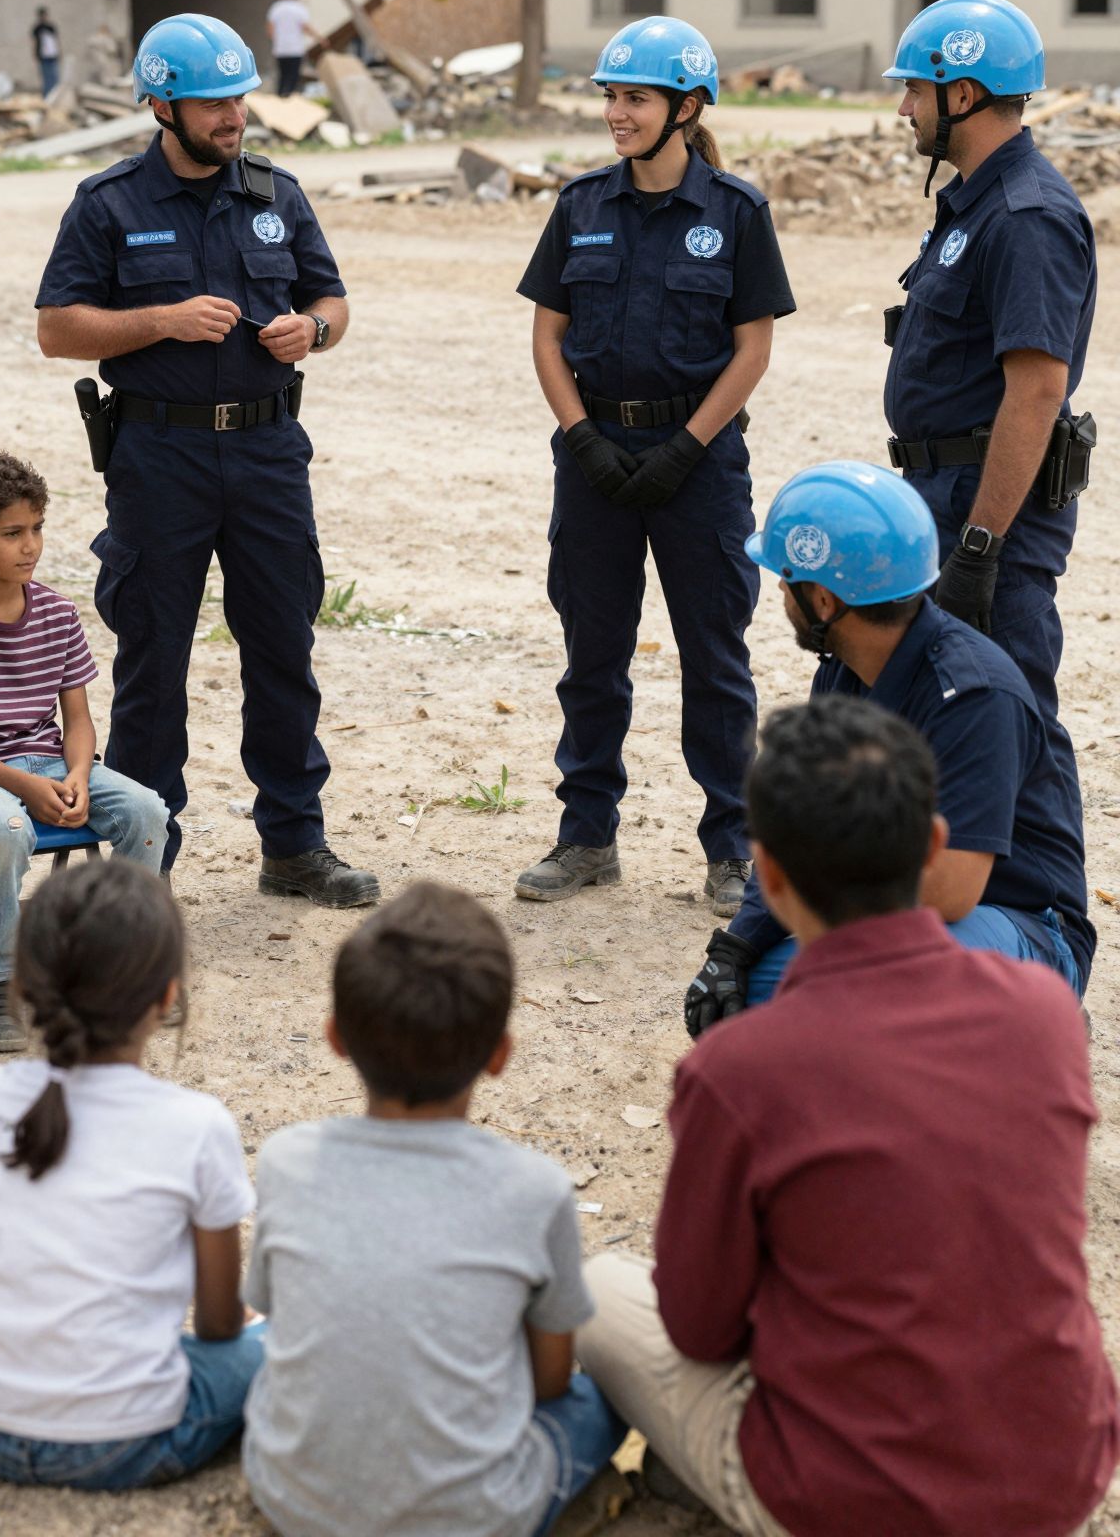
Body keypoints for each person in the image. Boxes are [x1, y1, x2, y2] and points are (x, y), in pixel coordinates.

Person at [583, 697, 1119, 1537]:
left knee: (596, 1291)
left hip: (845, 1499)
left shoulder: (739, 1069)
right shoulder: (1045, 1014)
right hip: (1058, 1476)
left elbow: (698, 1324)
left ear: (769, 876)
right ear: (933, 845)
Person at [35, 12, 378, 909]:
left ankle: (295, 847)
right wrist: (162, 320)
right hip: (160, 456)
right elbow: (57, 328)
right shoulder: (109, 204)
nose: (233, 117)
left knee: (283, 648)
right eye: (213, 103)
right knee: (154, 660)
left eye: (240, 99)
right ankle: (143, 862)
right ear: (162, 106)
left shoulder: (277, 194)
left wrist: (315, 331)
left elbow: (333, 300)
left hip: (268, 453)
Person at [514, 16, 795, 916]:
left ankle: (732, 848)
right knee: (591, 656)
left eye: (634, 98)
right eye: (610, 96)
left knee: (715, 658)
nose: (617, 114)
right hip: (593, 458)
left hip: (699, 465)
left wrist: (686, 448)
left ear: (687, 107)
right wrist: (580, 438)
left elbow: (752, 349)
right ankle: (587, 837)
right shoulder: (580, 206)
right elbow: (547, 337)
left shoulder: (736, 213)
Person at [243, 881, 624, 1537]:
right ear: (500, 1056)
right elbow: (550, 1383)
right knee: (603, 1396)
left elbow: (273, 1313)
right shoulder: (534, 1189)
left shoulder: (286, 1160)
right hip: (476, 1519)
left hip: (291, 1500)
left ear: (336, 1039)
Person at [684, 463, 1092, 1037]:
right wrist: (739, 945)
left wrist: (819, 903)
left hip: (1022, 922)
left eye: (786, 578)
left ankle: (1034, 1011)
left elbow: (951, 890)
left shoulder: (974, 695)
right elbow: (796, 827)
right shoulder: (844, 671)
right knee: (752, 996)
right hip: (906, 910)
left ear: (823, 600)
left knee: (869, 981)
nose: (778, 590)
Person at [0, 860, 264, 1491]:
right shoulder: (197, 1125)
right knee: (271, 1345)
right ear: (167, 998)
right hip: (120, 1443)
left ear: (23, 987)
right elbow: (219, 1325)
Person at [881, 0, 1095, 776]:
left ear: (963, 95)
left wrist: (980, 547)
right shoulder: (974, 205)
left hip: (985, 509)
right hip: (942, 495)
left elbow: (1036, 393)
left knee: (1012, 717)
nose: (904, 109)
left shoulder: (1024, 216)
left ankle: (1043, 867)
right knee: (943, 719)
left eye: (915, 90)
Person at [0, 449, 168, 1053]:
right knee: (6, 827)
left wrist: (78, 775)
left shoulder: (57, 613)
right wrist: (24, 786)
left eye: (37, 528)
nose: (30, 547)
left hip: (49, 762)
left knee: (149, 811)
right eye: (12, 533)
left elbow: (79, 721)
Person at [265, 0, 316, 98]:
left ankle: (280, 98)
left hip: (281, 49)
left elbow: (270, 28)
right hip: (295, 48)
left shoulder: (276, 7)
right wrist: (319, 38)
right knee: (293, 77)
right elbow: (305, 27)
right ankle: (290, 99)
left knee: (283, 76)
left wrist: (276, 41)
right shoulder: (300, 8)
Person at [31, 7, 62, 98]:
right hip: (43, 57)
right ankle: (47, 96)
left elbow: (56, 40)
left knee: (54, 76)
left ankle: (55, 95)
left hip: (52, 55)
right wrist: (35, 53)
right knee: (46, 77)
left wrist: (59, 51)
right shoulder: (37, 28)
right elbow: (34, 42)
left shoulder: (51, 27)